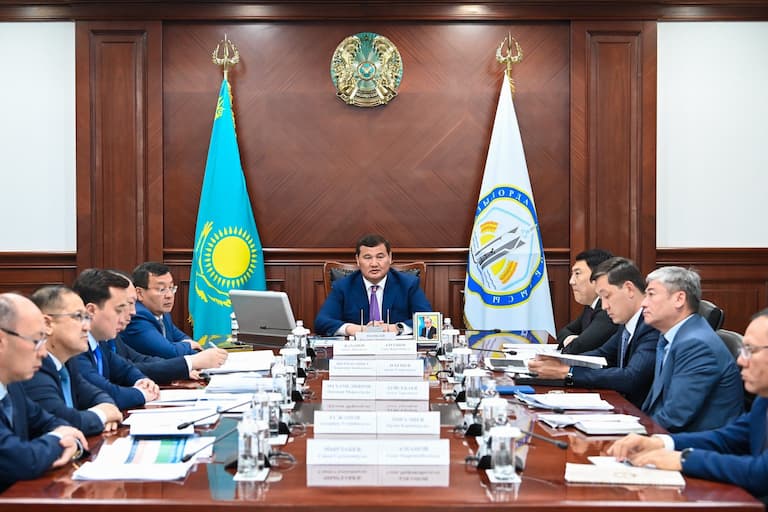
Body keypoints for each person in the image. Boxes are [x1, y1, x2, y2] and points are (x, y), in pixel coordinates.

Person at [608, 309, 768, 502]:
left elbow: (761, 473)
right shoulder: (763, 400)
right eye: (743, 350)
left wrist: (683, 459)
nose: (741, 360)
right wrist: (661, 443)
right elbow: (727, 439)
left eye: (751, 350)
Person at [528, 257, 658, 408]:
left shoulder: (651, 325)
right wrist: (558, 362)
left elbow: (631, 377)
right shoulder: (627, 324)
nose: (604, 306)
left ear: (629, 289)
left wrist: (568, 372)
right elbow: (601, 355)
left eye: (607, 296)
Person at [75, 269, 227, 386]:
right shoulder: (78, 346)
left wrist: (182, 369)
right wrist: (191, 362)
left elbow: (135, 362)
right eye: (123, 305)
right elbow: (104, 388)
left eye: (171, 288)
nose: (132, 312)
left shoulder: (104, 339)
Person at [0, 293, 88, 493]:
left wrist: (71, 440)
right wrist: (59, 440)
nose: (43, 352)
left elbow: (51, 422)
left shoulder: (13, 387)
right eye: (37, 341)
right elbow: (21, 460)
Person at [640, 266, 742, 432]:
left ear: (679, 299)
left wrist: (631, 433)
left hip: (695, 442)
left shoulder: (696, 344)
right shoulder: (671, 337)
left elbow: (675, 417)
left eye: (651, 294)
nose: (643, 303)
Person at [23, 286, 123, 436]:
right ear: (47, 324)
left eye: (87, 318)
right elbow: (63, 421)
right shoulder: (34, 367)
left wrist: (109, 409)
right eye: (78, 317)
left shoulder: (69, 362)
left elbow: (96, 395)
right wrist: (103, 415)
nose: (87, 327)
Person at [70, 269, 161, 409]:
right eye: (119, 310)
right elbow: (106, 393)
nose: (127, 314)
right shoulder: (75, 347)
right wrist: (142, 394)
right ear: (91, 311)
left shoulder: (100, 342)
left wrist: (142, 381)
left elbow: (125, 369)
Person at [314, 234, 432, 337]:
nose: (374, 264)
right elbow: (322, 322)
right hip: (358, 351)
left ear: (390, 258)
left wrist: (397, 328)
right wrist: (357, 330)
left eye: (380, 257)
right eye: (367, 257)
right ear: (357, 260)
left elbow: (427, 318)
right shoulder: (343, 286)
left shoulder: (408, 284)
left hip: (395, 349)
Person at [122, 262, 201, 358]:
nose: (169, 295)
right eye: (161, 289)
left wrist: (192, 348)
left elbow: (182, 338)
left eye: (171, 288)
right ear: (139, 293)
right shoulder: (136, 316)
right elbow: (168, 352)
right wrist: (189, 346)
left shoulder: (162, 313)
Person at [558, 249, 618, 354]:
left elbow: (578, 347)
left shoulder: (608, 309)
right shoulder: (590, 306)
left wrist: (575, 343)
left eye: (577, 273)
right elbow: (563, 332)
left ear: (598, 276)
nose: (571, 281)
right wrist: (569, 339)